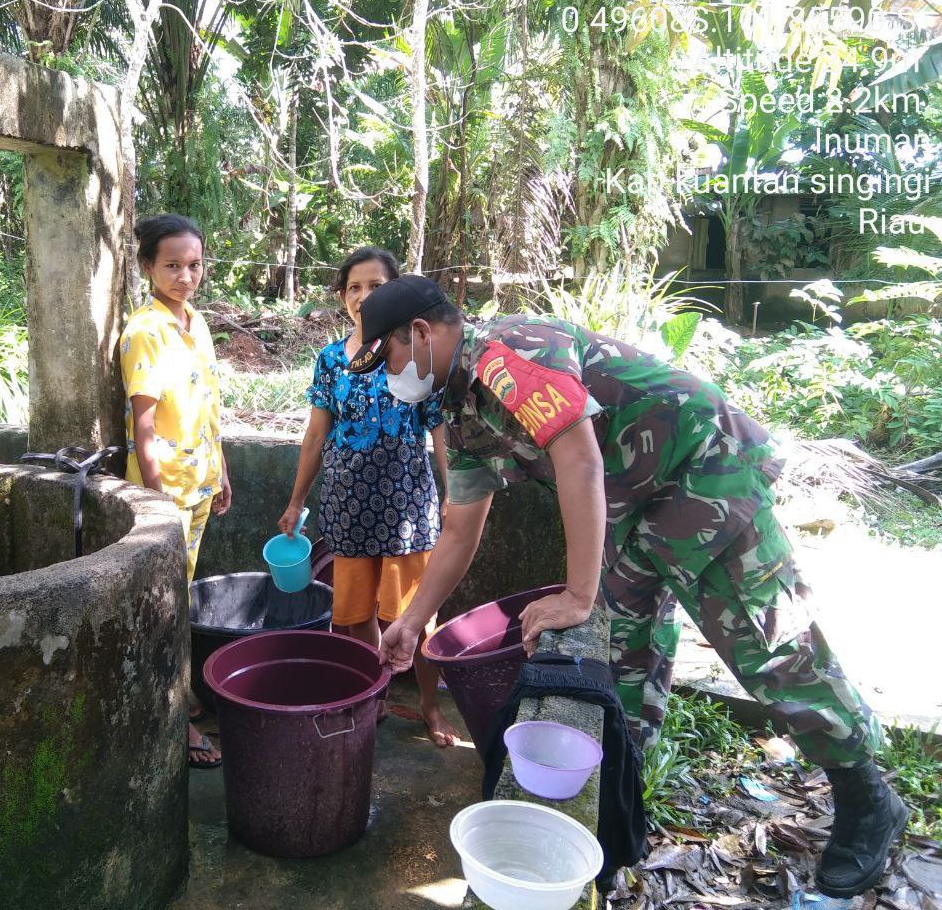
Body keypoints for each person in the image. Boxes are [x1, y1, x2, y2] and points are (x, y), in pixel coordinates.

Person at [355, 275, 905, 898]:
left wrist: (578, 594)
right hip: (632, 507)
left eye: (389, 357)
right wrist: (409, 620)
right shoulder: (464, 411)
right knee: (620, 655)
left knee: (764, 641)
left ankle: (867, 798)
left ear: (422, 333)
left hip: (703, 470)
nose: (389, 374)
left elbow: (579, 459)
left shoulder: (509, 356)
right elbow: (459, 530)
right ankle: (616, 814)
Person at [278, 247, 460, 748]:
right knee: (356, 615)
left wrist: (453, 495)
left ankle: (428, 704)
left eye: (376, 286)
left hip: (407, 507)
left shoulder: (416, 350)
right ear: (342, 297)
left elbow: (440, 430)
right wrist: (296, 502)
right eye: (354, 287)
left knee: (417, 617)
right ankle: (376, 693)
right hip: (347, 507)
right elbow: (316, 436)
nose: (364, 297)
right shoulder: (332, 361)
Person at [120, 214, 232, 768]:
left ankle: (178, 699)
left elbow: (208, 407)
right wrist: (158, 501)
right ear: (147, 267)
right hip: (165, 495)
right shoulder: (144, 330)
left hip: (201, 485)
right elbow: (143, 425)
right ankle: (174, 719)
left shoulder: (197, 322)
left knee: (179, 600)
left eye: (194, 265)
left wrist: (223, 473)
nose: (185, 276)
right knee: (166, 608)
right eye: (172, 265)